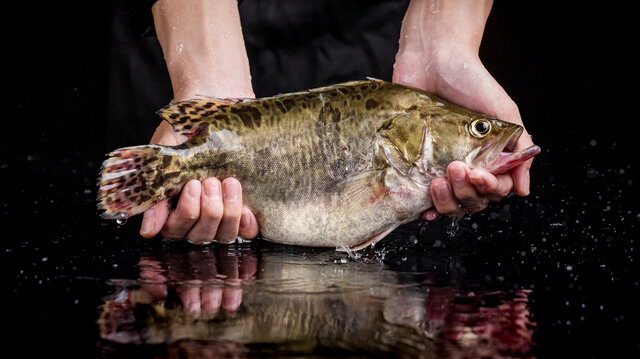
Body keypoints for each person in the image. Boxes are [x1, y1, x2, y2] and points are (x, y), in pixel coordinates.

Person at [135, 0, 534, 244]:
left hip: (377, 31)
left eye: (479, 128)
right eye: (478, 129)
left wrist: (443, 39)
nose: (485, 134)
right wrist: (204, 75)